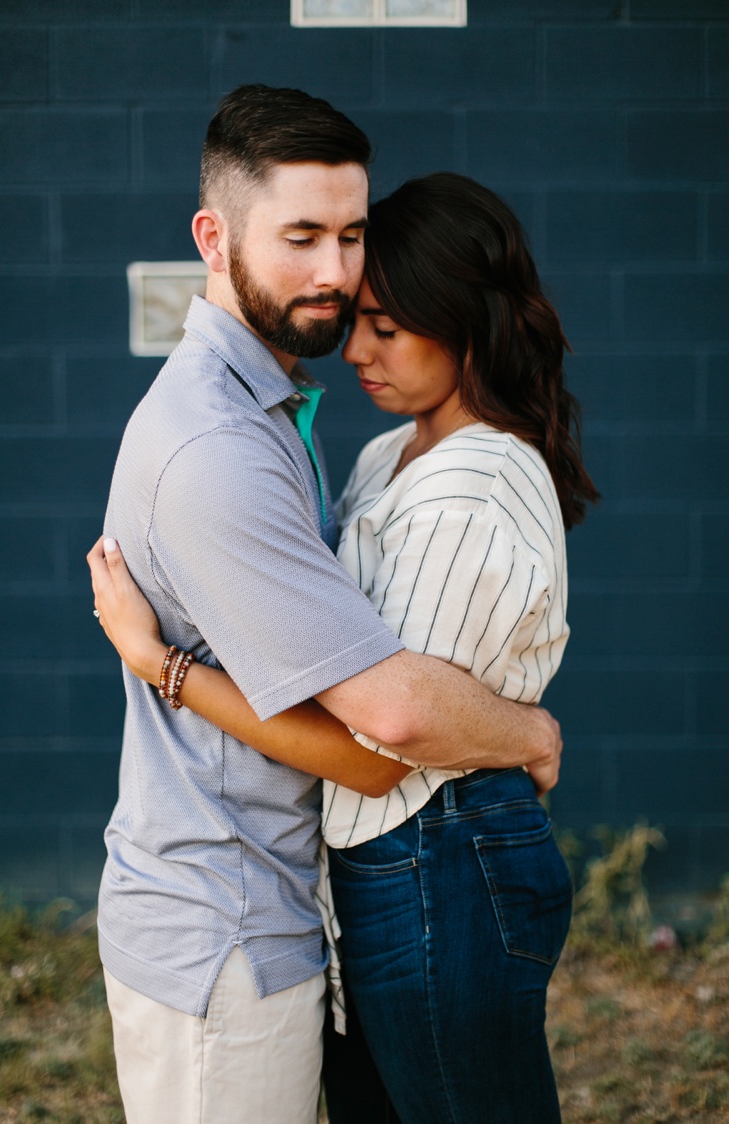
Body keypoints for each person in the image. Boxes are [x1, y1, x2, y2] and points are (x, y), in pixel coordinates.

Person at [87, 87, 566, 1124]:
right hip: (226, 923)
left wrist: (161, 661)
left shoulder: (276, 409)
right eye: (302, 235)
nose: (337, 273)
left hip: (283, 902)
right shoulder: (222, 445)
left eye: (350, 235)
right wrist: (527, 727)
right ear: (214, 237)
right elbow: (382, 735)